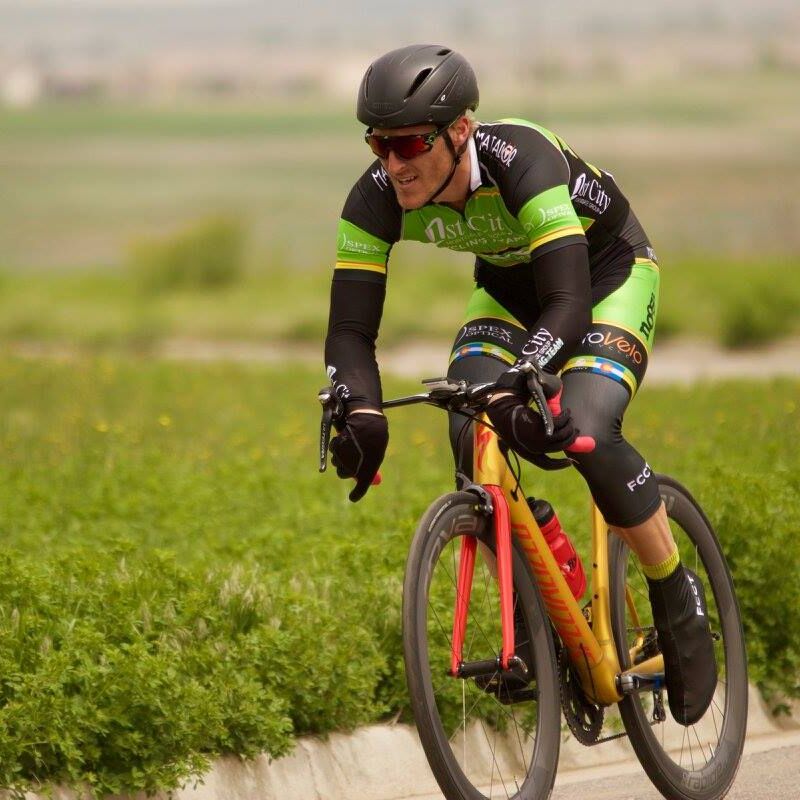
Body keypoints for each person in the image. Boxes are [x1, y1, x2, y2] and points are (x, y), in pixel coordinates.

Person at [324, 44, 716, 726]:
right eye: (378, 144)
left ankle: (676, 596)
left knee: (587, 430)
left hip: (604, 279)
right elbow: (351, 332)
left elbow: (567, 301)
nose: (393, 163)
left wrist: (524, 377)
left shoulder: (520, 159)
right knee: (468, 425)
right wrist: (360, 409)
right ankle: (542, 603)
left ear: (461, 130)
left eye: (410, 143)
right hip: (508, 294)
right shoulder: (375, 197)